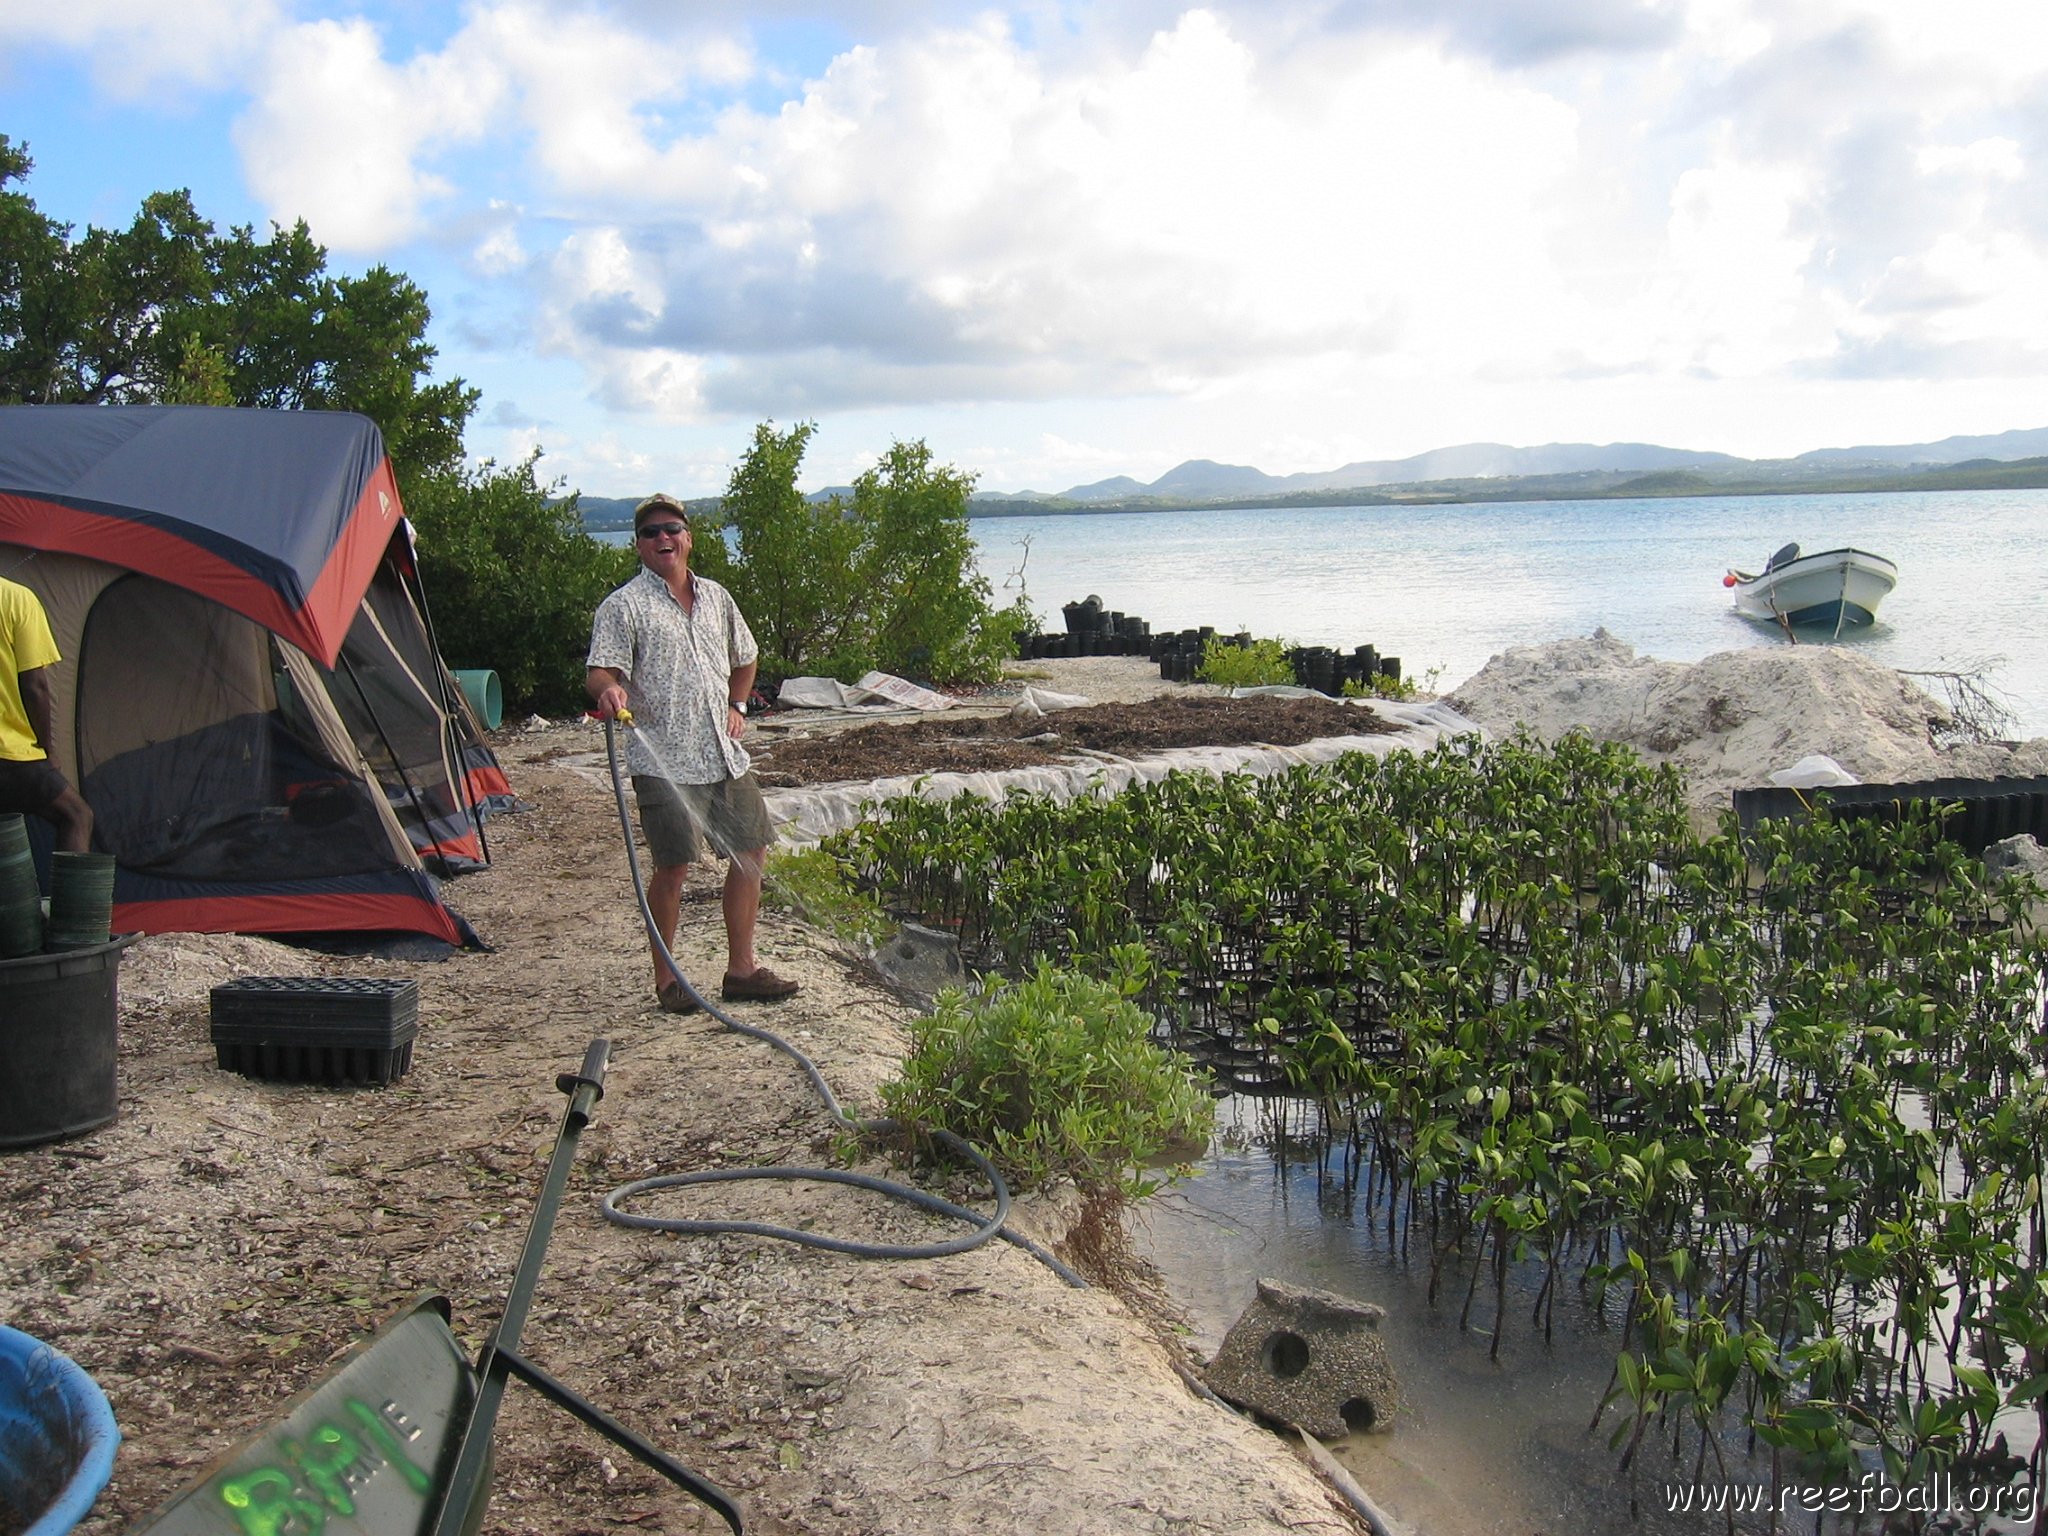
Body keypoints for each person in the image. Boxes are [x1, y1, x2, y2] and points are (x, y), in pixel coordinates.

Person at [587, 494, 800, 1012]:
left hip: (723, 755)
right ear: (638, 545)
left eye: (672, 529)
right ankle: (668, 982)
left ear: (688, 537)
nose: (664, 539)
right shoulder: (622, 607)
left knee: (751, 853)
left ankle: (742, 970)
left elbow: (745, 657)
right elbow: (600, 671)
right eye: (652, 532)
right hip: (662, 761)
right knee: (674, 868)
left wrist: (738, 705)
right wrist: (608, 692)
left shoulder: (717, 598)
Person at [0, 573, 93, 852]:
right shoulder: (17, 598)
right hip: (10, 751)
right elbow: (35, 686)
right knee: (77, 816)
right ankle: (72, 897)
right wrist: (47, 748)